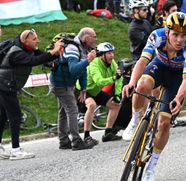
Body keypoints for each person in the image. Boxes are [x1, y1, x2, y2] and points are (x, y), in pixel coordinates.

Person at [122, 12, 186, 181]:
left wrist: (179, 98)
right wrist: (132, 83)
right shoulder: (157, 36)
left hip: (177, 78)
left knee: (164, 123)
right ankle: (134, 121)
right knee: (141, 87)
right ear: (167, 31)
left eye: (183, 35)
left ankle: (152, 166)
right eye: (175, 35)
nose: (179, 40)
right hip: (159, 67)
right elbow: (142, 61)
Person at [0, 29, 63, 160]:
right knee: (15, 116)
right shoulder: (16, 52)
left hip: (6, 85)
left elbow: (42, 56)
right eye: (34, 39)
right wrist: (53, 52)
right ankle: (16, 150)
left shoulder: (27, 48)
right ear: (25, 41)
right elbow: (33, 61)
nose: (38, 41)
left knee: (3, 115)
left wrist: (56, 53)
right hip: (5, 86)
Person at [50, 27, 97, 151]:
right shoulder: (73, 48)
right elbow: (74, 69)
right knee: (72, 110)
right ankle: (76, 141)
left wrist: (83, 88)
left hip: (65, 83)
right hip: (61, 84)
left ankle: (64, 141)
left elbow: (82, 71)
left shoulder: (83, 48)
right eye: (94, 37)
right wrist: (88, 60)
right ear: (86, 38)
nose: (95, 40)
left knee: (63, 111)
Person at [76, 42, 122, 142]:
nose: (112, 55)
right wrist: (114, 78)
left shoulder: (112, 63)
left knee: (116, 105)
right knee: (92, 105)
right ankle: (87, 136)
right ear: (102, 55)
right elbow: (99, 81)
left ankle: (108, 133)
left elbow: (119, 78)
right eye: (109, 53)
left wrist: (117, 94)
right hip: (83, 90)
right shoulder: (94, 64)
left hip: (95, 91)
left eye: (112, 53)